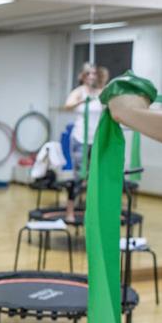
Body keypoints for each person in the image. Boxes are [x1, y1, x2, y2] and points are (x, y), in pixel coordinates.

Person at [62, 63, 102, 221]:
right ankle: (70, 212)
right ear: (82, 76)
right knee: (79, 176)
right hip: (80, 138)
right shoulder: (79, 92)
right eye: (88, 74)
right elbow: (67, 106)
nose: (92, 76)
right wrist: (83, 101)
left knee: (95, 177)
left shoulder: (100, 93)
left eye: (94, 73)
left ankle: (92, 213)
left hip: (96, 139)